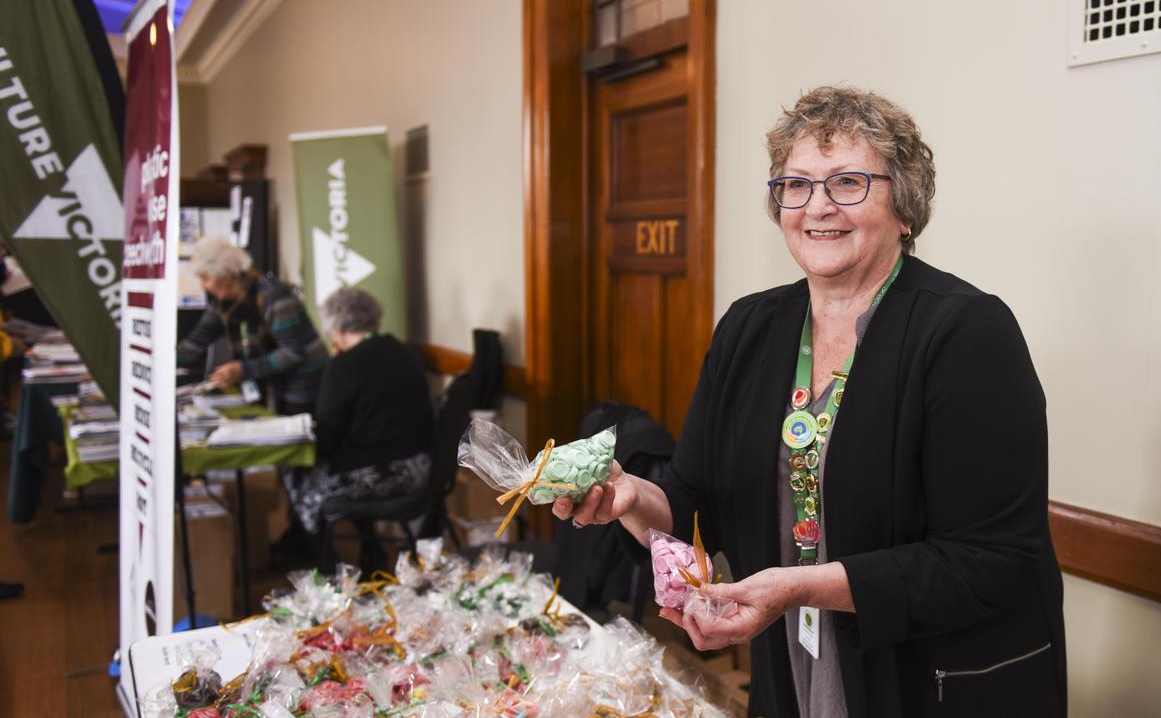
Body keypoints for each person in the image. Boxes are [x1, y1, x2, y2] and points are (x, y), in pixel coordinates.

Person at [554, 86, 1066, 717]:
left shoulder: (966, 333)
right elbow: (692, 507)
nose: (817, 206)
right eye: (795, 185)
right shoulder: (749, 327)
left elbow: (991, 561)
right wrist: (633, 499)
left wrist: (799, 588)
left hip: (929, 682)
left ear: (905, 207)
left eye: (848, 182)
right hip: (794, 664)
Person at [281, 287, 434, 566]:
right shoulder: (406, 354)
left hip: (382, 476)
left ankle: (328, 568)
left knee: (297, 475)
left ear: (336, 328)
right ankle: (369, 553)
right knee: (340, 464)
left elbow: (327, 436)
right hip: (421, 469)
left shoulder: (343, 366)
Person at [177, 237, 327, 416]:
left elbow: (292, 353)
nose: (204, 286)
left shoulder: (273, 295)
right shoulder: (222, 304)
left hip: (305, 385)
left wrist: (243, 369)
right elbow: (196, 342)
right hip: (273, 386)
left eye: (206, 278)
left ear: (225, 273)